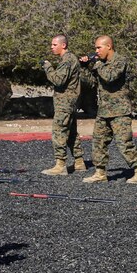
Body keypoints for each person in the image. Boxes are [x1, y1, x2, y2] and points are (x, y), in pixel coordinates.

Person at [81, 36, 137, 184]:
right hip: (104, 111)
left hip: (120, 111)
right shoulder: (101, 64)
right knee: (98, 142)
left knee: (124, 143)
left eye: (99, 48)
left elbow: (110, 77)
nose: (96, 51)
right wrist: (84, 68)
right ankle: (100, 172)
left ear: (109, 46)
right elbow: (91, 83)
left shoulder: (120, 61)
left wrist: (97, 64)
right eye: (95, 48)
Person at [39, 34, 88, 175]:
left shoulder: (67, 60)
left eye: (54, 45)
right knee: (71, 132)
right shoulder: (70, 59)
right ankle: (79, 161)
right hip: (69, 102)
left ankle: (60, 165)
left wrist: (48, 67)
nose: (52, 47)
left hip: (65, 102)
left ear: (63, 45)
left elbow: (58, 80)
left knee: (59, 131)